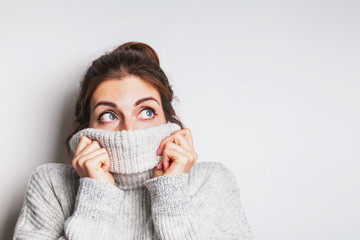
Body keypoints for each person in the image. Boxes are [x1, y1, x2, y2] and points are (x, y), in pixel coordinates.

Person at [13, 41, 255, 240]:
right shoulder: (52, 185)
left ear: (167, 118)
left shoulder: (210, 181)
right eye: (109, 115)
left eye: (146, 112)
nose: (129, 130)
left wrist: (171, 196)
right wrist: (95, 199)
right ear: (87, 127)